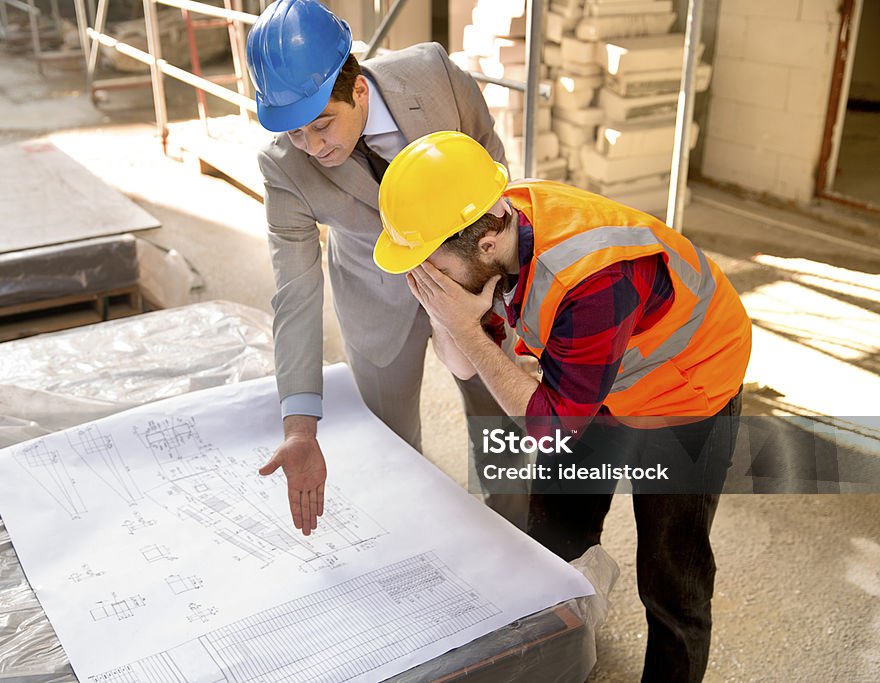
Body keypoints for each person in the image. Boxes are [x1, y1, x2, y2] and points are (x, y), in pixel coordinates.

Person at [374, 130, 752, 683]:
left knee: (672, 575)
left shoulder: (594, 280)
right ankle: (562, 654)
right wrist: (448, 315)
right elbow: (461, 365)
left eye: (432, 266)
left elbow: (548, 428)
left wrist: (469, 332)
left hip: (686, 388)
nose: (428, 280)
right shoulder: (495, 229)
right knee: (552, 535)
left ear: (482, 244)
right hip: (592, 378)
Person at [246, 0, 521, 536]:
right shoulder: (283, 168)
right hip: (375, 296)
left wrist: (493, 285)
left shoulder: (436, 77)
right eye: (295, 133)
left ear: (358, 90)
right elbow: (295, 293)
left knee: (498, 420)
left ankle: (510, 535)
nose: (311, 147)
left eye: (321, 126)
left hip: (474, 282)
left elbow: (495, 176)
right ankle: (415, 547)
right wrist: (300, 427)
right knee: (392, 441)